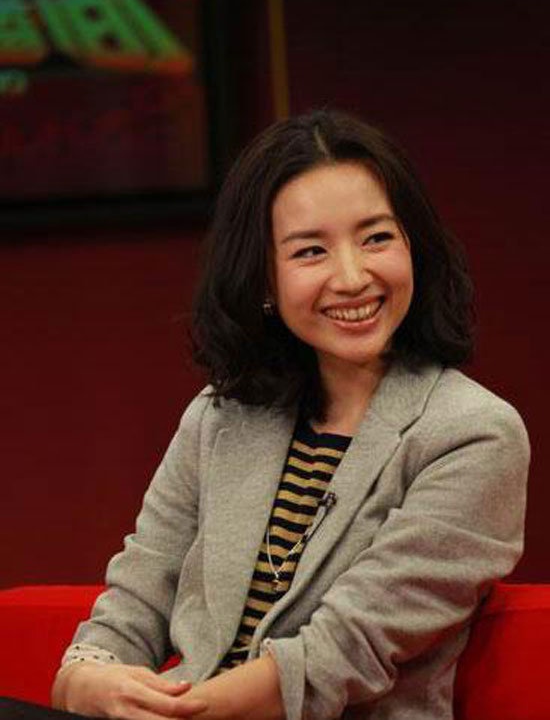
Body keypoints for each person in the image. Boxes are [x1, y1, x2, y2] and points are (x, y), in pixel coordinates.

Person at [16, 110, 533, 719]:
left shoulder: (473, 434)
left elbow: (342, 653)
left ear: (413, 247)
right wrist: (86, 678)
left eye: (376, 238)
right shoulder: (220, 416)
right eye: (311, 251)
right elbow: (138, 593)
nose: (352, 277)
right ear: (263, 279)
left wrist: (178, 711)